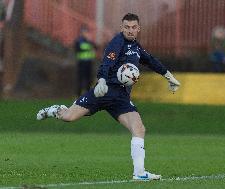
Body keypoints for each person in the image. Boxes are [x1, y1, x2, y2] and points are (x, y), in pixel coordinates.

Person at [36, 13, 180, 181]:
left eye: (134, 27)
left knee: (139, 128)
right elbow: (107, 62)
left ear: (138, 28)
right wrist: (102, 79)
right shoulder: (117, 42)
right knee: (69, 117)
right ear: (122, 28)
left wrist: (169, 76)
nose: (130, 30)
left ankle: (139, 173)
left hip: (121, 98)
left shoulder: (137, 47)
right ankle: (55, 110)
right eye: (127, 27)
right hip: (103, 92)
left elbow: (151, 61)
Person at [74, 25, 97, 97]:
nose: (85, 34)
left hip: (89, 62)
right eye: (84, 32)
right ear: (81, 33)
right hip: (81, 62)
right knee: (81, 79)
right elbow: (77, 49)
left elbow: (96, 47)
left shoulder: (89, 41)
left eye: (86, 32)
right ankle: (78, 95)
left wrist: (90, 41)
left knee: (89, 79)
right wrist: (88, 49)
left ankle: (87, 95)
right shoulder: (78, 41)